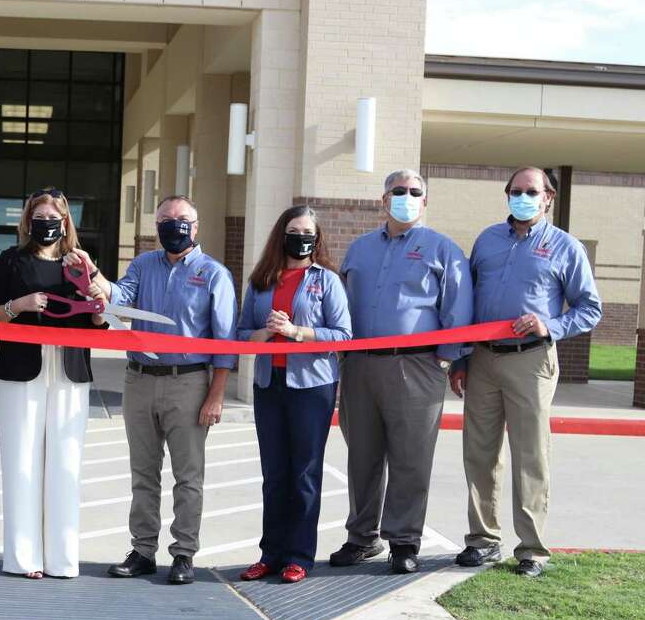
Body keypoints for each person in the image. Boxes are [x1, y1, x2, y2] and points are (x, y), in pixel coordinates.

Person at [77, 195, 237, 585]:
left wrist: (216, 395)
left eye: (181, 219)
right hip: (140, 379)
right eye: (165, 219)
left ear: (195, 227)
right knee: (143, 473)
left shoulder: (214, 273)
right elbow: (120, 296)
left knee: (188, 476)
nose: (173, 225)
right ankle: (143, 550)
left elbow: (226, 340)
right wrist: (93, 275)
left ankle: (184, 553)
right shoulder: (144, 264)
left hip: (190, 382)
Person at [451, 167, 602, 578]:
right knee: (479, 452)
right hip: (482, 359)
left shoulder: (565, 247)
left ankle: (532, 549)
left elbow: (590, 308)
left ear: (548, 197)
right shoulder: (487, 241)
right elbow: (467, 305)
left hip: (531, 360)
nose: (522, 197)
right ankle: (483, 540)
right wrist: (462, 358)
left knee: (530, 454)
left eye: (530, 191)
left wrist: (549, 325)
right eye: (515, 191)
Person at [330, 169, 473, 574]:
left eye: (415, 192)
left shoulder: (443, 249)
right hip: (360, 367)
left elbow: (458, 308)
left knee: (411, 458)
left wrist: (444, 359)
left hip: (417, 366)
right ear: (383, 199)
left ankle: (404, 541)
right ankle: (362, 537)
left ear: (425, 202)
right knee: (362, 455)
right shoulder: (358, 249)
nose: (406, 196)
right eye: (399, 190)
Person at [0, 187, 104, 579]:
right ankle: (22, 559)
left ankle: (62, 559)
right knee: (20, 461)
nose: (47, 224)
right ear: (27, 221)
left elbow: (101, 320)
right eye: (39, 218)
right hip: (21, 369)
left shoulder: (81, 263)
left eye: (55, 218)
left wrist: (94, 287)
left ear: (66, 221)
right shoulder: (11, 260)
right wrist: (18, 306)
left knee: (66, 464)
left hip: (70, 371)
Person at [236, 205, 351, 584]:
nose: (300, 237)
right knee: (274, 474)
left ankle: (299, 556)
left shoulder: (327, 281)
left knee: (303, 473)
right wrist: (264, 334)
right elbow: (240, 335)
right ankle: (271, 553)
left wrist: (298, 332)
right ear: (280, 234)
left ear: (316, 239)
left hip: (312, 387)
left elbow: (343, 335)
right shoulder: (261, 280)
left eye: (307, 232)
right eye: (293, 230)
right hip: (270, 384)